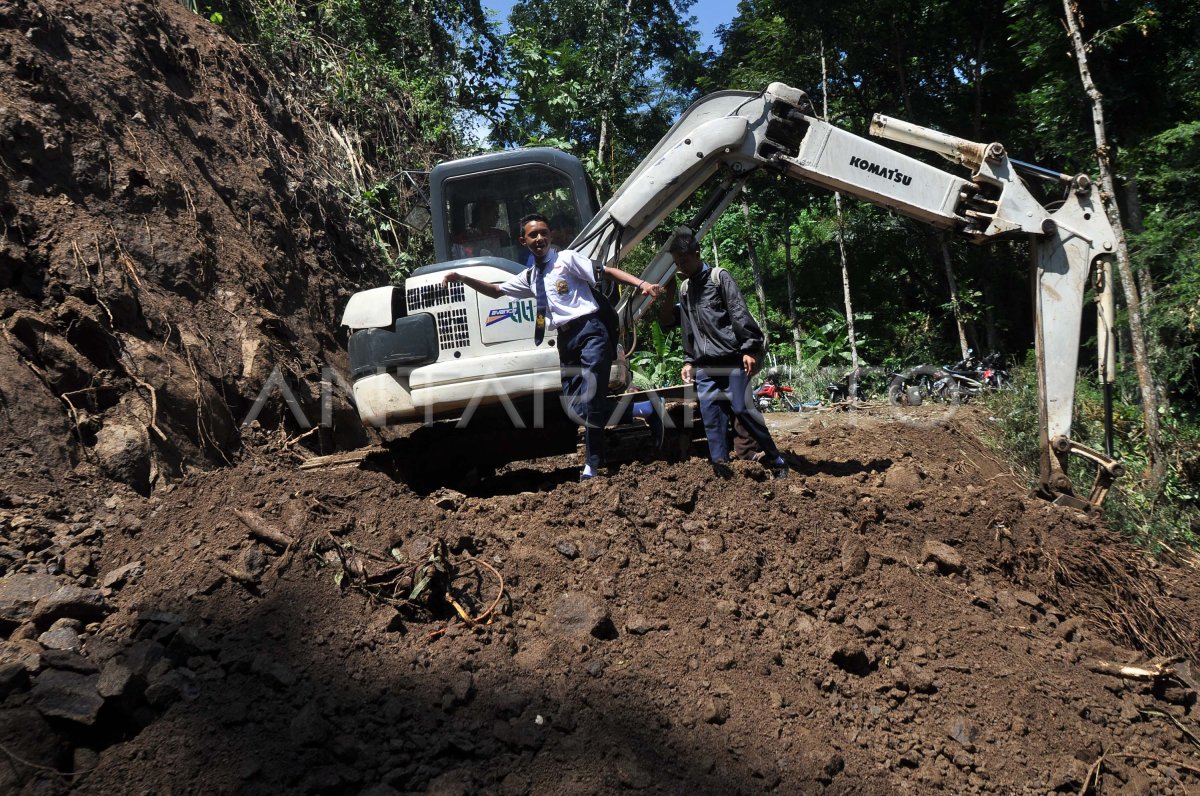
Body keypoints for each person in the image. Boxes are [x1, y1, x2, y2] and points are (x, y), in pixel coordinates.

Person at [443, 213, 663, 479]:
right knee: (575, 409)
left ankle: (592, 466)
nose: (540, 239)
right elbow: (496, 290)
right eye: (533, 235)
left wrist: (642, 284)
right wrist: (464, 279)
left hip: (591, 332)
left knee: (592, 398)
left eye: (544, 233)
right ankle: (645, 408)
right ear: (523, 241)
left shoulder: (567, 260)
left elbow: (606, 272)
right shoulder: (530, 277)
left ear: (551, 235)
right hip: (566, 340)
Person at [657, 225, 789, 479]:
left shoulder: (719, 278)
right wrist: (688, 360)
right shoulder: (685, 290)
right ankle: (720, 468)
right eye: (677, 263)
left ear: (697, 253)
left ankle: (776, 459)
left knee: (743, 411)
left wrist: (750, 348)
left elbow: (738, 312)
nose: (681, 267)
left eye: (684, 260)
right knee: (711, 419)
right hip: (705, 367)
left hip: (730, 360)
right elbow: (688, 328)